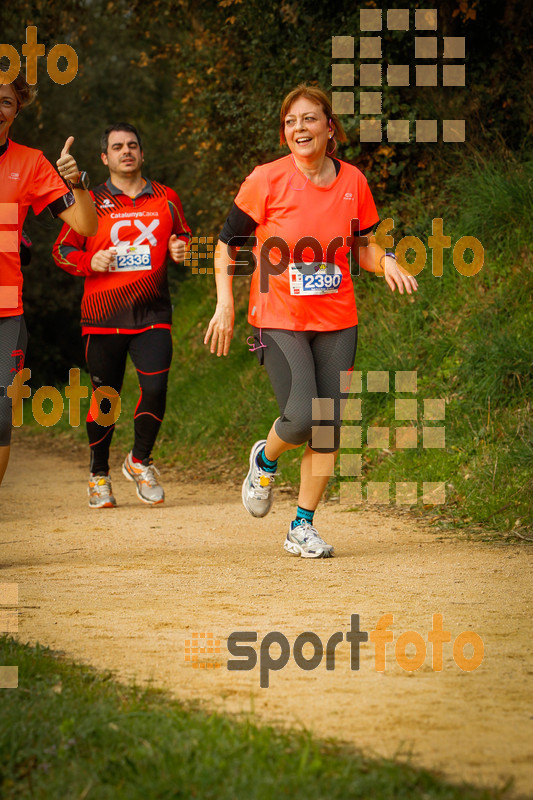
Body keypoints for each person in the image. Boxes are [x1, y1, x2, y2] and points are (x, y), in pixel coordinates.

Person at [204, 84, 418, 558]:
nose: (299, 128)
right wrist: (226, 304)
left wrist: (387, 263)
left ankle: (302, 525)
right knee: (302, 417)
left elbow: (362, 245)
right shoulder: (265, 180)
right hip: (279, 316)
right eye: (290, 122)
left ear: (329, 126)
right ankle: (265, 458)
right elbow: (226, 245)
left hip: (338, 318)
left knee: (328, 427)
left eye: (309, 119)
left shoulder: (353, 182)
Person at [53, 123, 191, 508]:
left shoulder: (167, 198)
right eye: (117, 147)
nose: (126, 151)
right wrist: (89, 260)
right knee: (106, 398)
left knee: (156, 389)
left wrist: (183, 249)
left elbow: (187, 238)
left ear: (142, 154)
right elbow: (62, 251)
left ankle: (139, 461)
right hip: (102, 316)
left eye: (132, 145)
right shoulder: (89, 200)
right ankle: (99, 475)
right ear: (105, 158)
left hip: (152, 315)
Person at [0, 64, 97, 487]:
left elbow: (86, 226)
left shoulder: (31, 163)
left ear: (16, 111)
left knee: (1, 415)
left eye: (6, 101)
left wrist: (77, 183)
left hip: (5, 311)